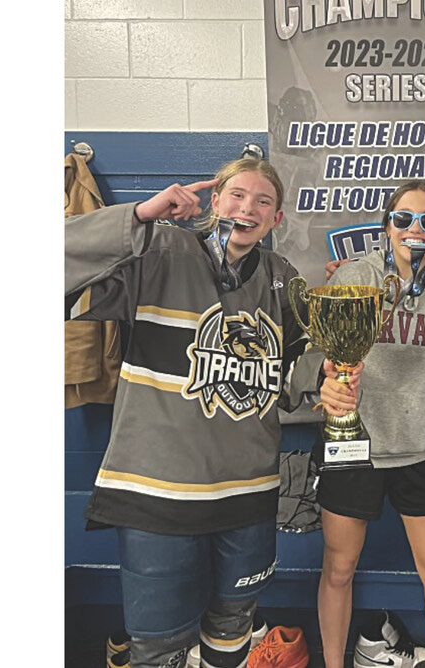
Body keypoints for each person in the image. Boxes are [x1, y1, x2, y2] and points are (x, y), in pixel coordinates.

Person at [65, 157, 310, 668]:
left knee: (232, 629)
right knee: (159, 648)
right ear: (214, 201)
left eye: (263, 201)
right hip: (159, 495)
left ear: (277, 219)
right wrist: (138, 216)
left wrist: (331, 376)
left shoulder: (282, 280)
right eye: (237, 195)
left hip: (248, 496)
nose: (248, 208)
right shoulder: (158, 250)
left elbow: (298, 376)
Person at [313, 181, 425, 668]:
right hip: (353, 448)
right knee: (338, 570)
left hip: (419, 449)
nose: (415, 230)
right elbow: (320, 360)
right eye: (404, 219)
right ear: (387, 226)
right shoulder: (353, 277)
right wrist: (326, 385)